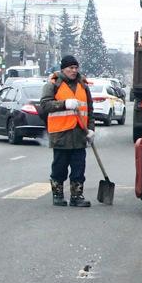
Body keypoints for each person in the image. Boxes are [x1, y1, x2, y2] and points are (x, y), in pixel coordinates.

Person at [39, 55, 95, 207]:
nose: (74, 71)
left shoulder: (83, 85)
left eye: (76, 68)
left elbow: (89, 109)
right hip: (61, 134)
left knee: (79, 168)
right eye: (71, 68)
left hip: (79, 134)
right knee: (59, 167)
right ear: (63, 69)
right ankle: (58, 195)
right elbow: (44, 105)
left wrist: (91, 129)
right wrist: (65, 104)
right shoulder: (53, 84)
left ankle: (77, 196)